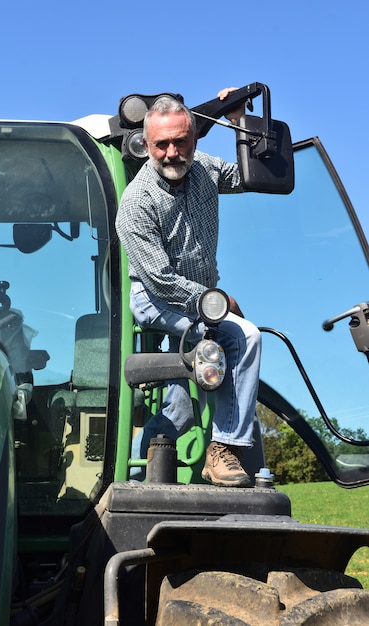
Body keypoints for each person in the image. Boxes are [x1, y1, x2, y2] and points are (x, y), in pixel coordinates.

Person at [115, 88, 261, 487]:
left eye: (181, 142)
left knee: (179, 410)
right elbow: (160, 281)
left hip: (199, 299)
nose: (171, 152)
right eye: (161, 144)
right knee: (244, 337)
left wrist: (240, 124)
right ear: (146, 145)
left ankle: (134, 479)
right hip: (156, 300)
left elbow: (252, 175)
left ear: (195, 140)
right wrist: (218, 302)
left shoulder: (206, 171)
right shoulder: (136, 203)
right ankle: (224, 448)